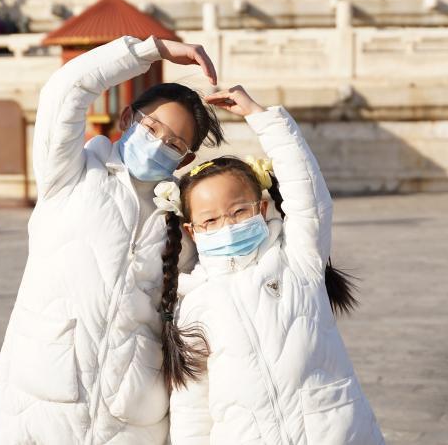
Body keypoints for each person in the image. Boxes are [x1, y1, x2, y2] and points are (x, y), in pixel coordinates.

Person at [0, 35, 223, 445]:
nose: (157, 144)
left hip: (132, 419)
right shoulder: (70, 175)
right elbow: (65, 91)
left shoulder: (182, 221)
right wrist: (150, 50)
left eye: (173, 143)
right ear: (128, 118)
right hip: (39, 402)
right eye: (151, 127)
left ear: (185, 159)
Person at [160, 85, 384, 444]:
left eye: (238, 211)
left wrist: (261, 118)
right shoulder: (194, 302)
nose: (227, 225)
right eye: (211, 220)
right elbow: (192, 409)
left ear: (262, 209)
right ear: (192, 231)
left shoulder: (297, 260)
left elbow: (309, 196)